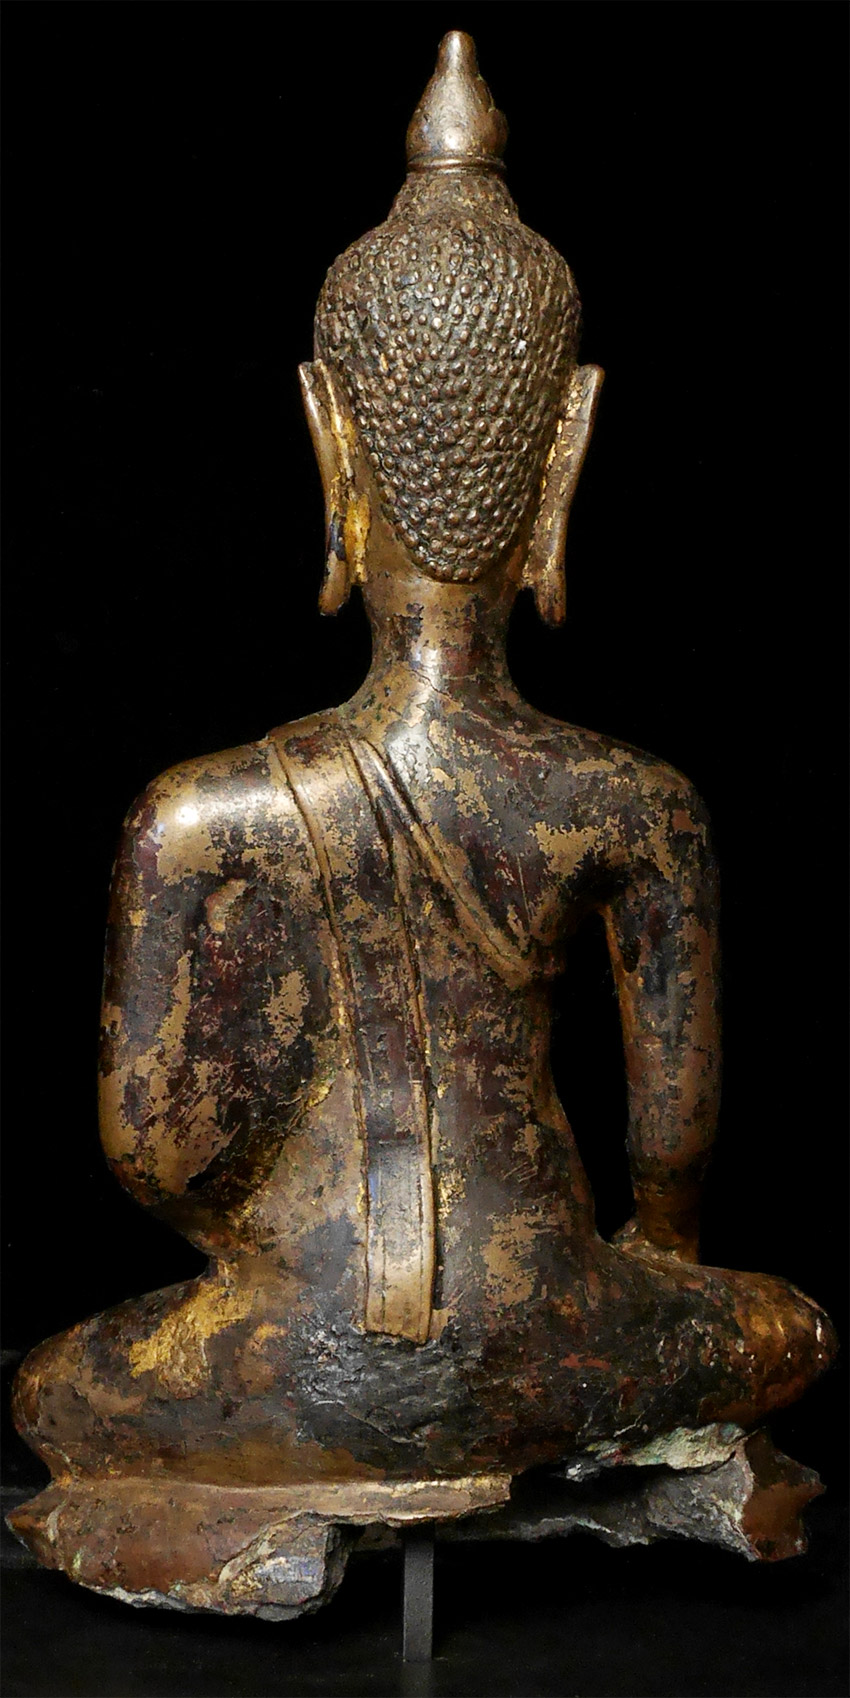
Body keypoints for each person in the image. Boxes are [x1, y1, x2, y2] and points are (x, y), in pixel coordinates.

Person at [11, 31, 835, 1600]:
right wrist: (630, 1285)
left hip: (298, 1349)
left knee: (53, 1389)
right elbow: (670, 1159)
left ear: (328, 439)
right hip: (556, 1342)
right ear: (566, 448)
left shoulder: (203, 813)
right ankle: (602, 1453)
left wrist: (297, 1244)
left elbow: (159, 1162)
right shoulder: (633, 800)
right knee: (788, 1326)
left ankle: (267, 1519)